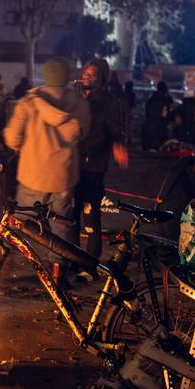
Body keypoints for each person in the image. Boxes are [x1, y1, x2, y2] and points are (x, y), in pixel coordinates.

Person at [3, 57, 90, 245]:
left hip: (33, 175)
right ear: (66, 77)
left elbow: (12, 138)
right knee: (60, 226)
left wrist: (23, 145)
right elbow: (83, 133)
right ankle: (56, 270)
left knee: (21, 223)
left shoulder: (28, 103)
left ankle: (21, 265)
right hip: (64, 177)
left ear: (46, 75)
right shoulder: (79, 104)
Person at [74, 58, 128, 267]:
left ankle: (90, 264)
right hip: (71, 166)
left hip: (93, 167)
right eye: (85, 74)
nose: (86, 78)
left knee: (91, 216)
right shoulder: (74, 98)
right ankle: (71, 259)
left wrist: (117, 145)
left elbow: (116, 131)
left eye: (92, 75)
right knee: (69, 216)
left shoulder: (109, 103)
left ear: (101, 79)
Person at [142, 81, 172, 151]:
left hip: (148, 130)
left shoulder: (151, 100)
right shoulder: (164, 101)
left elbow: (147, 113)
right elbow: (165, 116)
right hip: (159, 131)